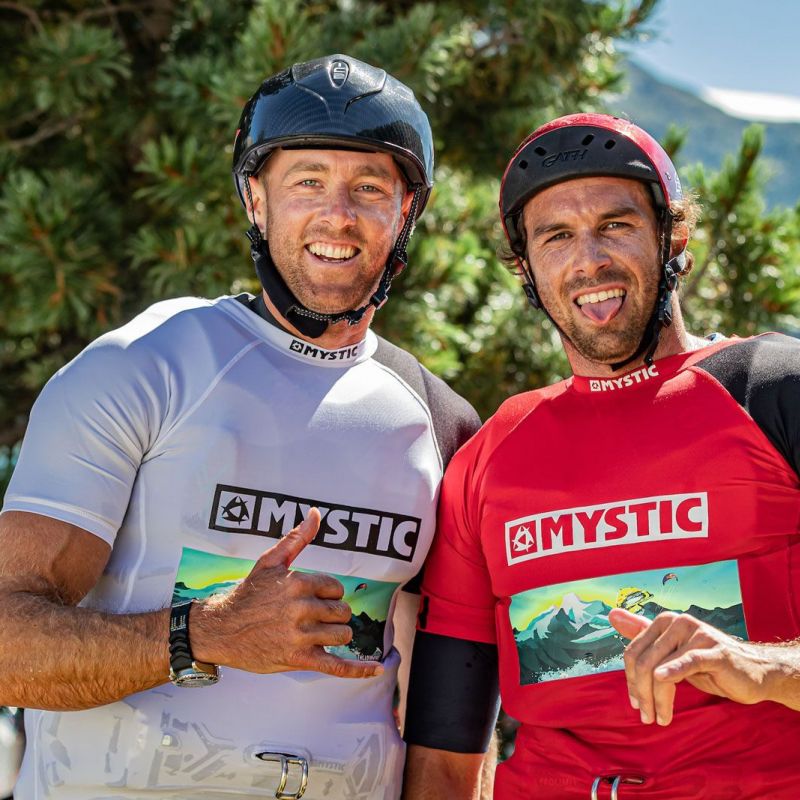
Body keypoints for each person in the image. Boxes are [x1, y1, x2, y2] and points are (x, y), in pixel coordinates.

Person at [0, 54, 480, 800]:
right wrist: (203, 634)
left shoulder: (442, 423)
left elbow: (448, 725)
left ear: (407, 211)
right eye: (307, 182)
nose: (338, 215)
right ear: (256, 199)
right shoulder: (145, 364)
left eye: (369, 187)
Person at [402, 113, 800, 799]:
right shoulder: (491, 454)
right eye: (556, 236)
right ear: (526, 269)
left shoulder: (772, 388)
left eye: (615, 225)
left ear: (673, 237)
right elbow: (444, 754)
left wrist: (764, 668)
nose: (589, 260)